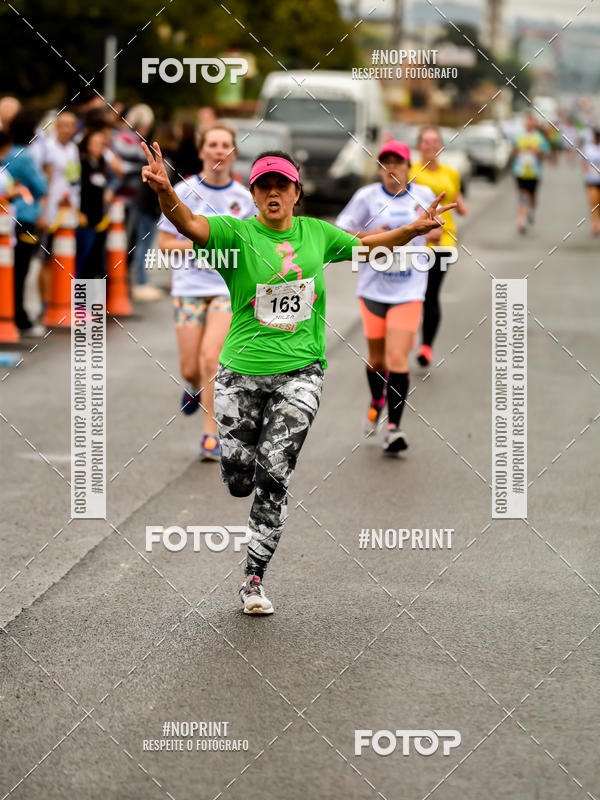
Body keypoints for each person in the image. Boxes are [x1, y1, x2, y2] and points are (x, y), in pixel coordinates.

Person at [141, 140, 455, 614]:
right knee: (239, 480)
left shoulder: (316, 234)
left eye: (281, 186)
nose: (273, 193)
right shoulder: (234, 235)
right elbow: (187, 223)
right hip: (238, 379)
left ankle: (253, 579)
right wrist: (166, 192)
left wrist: (412, 229)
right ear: (252, 193)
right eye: (264, 185)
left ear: (296, 192)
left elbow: (366, 246)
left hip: (301, 374)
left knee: (274, 475)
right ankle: (237, 471)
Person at [157, 123, 255, 461]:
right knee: (190, 367)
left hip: (225, 290)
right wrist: (195, 243)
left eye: (224, 144)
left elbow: (259, 244)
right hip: (188, 288)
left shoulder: (244, 199)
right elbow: (164, 244)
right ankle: (192, 385)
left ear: (233, 153)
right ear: (201, 151)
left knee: (211, 359)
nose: (218, 150)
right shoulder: (183, 192)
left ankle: (209, 435)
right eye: (212, 144)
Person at [335, 140, 437, 453]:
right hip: (373, 290)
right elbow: (340, 235)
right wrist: (375, 236)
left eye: (398, 163)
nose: (391, 168)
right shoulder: (366, 198)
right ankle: (377, 398)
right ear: (380, 168)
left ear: (409, 167)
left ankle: (393, 428)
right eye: (385, 163)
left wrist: (430, 230)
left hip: (409, 289)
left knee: (397, 358)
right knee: (377, 360)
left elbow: (436, 232)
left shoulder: (423, 196)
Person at [409, 126, 467, 367]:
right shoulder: (410, 172)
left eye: (435, 141)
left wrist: (461, 208)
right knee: (414, 294)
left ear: (441, 146)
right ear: (419, 146)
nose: (431, 145)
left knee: (431, 293)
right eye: (426, 141)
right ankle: (407, 337)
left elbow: (457, 200)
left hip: (444, 242)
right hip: (415, 242)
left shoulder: (451, 173)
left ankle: (426, 347)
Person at [0, 111, 47, 335]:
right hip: (25, 219)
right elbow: (41, 187)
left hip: (8, 219)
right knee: (21, 270)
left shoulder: (6, 154)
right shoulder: (24, 156)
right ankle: (20, 317)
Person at [76, 129, 112, 279]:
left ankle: (89, 300)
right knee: (82, 260)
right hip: (84, 218)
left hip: (99, 220)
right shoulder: (82, 164)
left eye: (101, 144)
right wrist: (78, 212)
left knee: (94, 262)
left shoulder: (101, 164)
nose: (98, 147)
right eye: (94, 143)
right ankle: (79, 300)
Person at [511, 113, 550, 234]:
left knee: (532, 196)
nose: (528, 123)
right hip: (520, 171)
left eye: (531, 121)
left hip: (534, 172)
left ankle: (531, 210)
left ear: (534, 123)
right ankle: (521, 221)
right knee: (522, 195)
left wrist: (538, 152)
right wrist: (518, 151)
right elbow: (513, 151)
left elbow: (546, 152)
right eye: (527, 121)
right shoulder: (519, 136)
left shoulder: (539, 137)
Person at [581, 127, 600, 236]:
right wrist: (586, 169)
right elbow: (584, 161)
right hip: (592, 179)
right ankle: (595, 225)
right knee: (594, 202)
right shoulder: (588, 147)